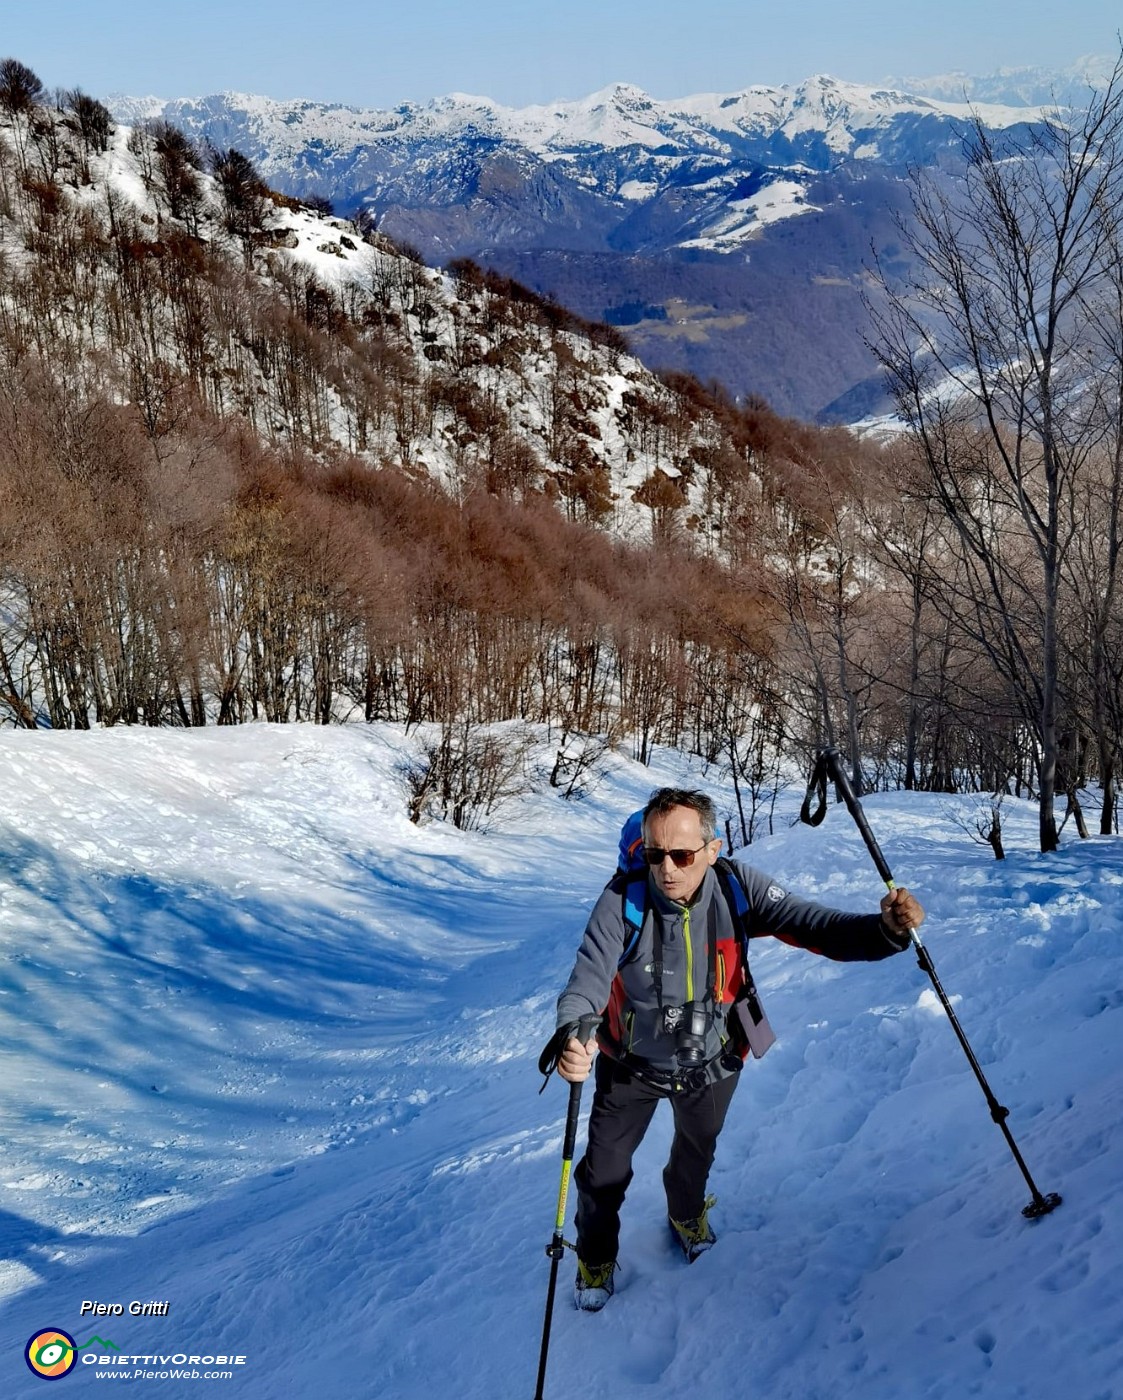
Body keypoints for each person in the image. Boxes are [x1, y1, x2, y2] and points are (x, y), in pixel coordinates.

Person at [552, 785, 924, 1311]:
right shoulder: (623, 899)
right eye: (655, 854)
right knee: (604, 1173)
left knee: (697, 1149)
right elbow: (588, 976)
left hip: (715, 1058)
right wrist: (574, 1031)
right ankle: (595, 1255)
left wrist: (883, 930)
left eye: (682, 855)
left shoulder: (735, 888)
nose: (667, 869)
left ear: (713, 848)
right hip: (630, 1064)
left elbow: (812, 924)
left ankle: (685, 1214)